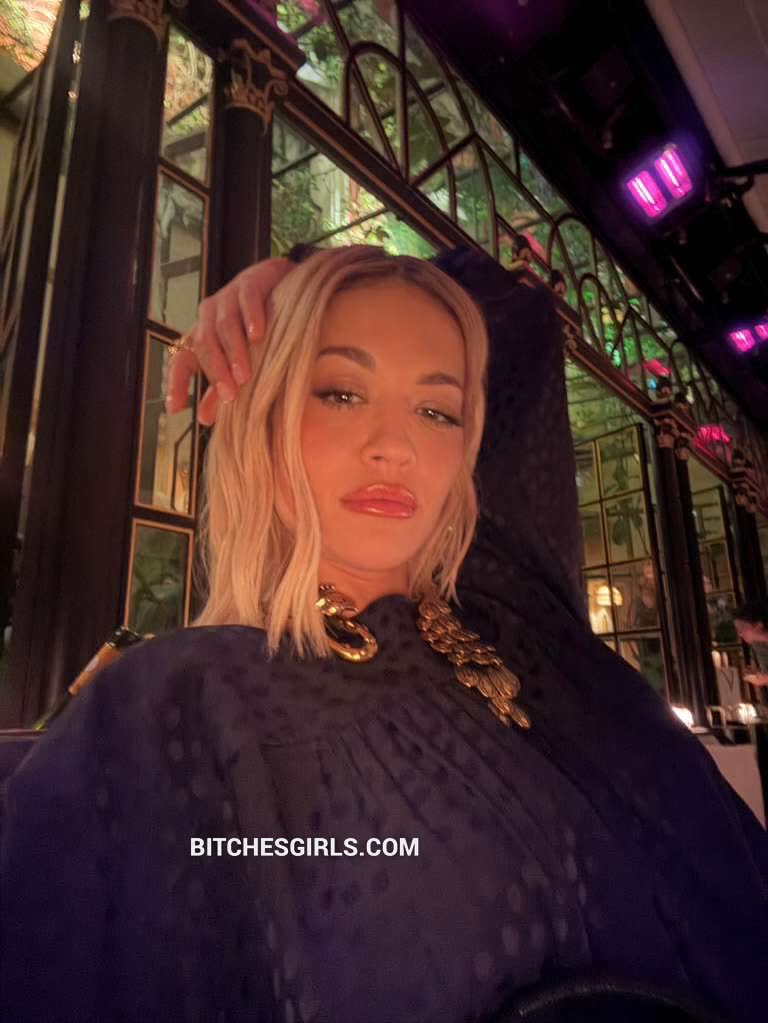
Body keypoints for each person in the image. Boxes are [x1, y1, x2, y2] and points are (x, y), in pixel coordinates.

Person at [1, 244, 767, 1023]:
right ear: (263, 410)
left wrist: (296, 266)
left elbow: (519, 312)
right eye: (340, 392)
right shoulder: (182, 701)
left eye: (436, 411)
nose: (394, 446)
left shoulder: (514, 594)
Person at [733, 598, 768, 688]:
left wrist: (764, 679)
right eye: (737, 629)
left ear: (759, 624)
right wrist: (757, 673)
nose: (740, 633)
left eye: (742, 627)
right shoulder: (757, 645)